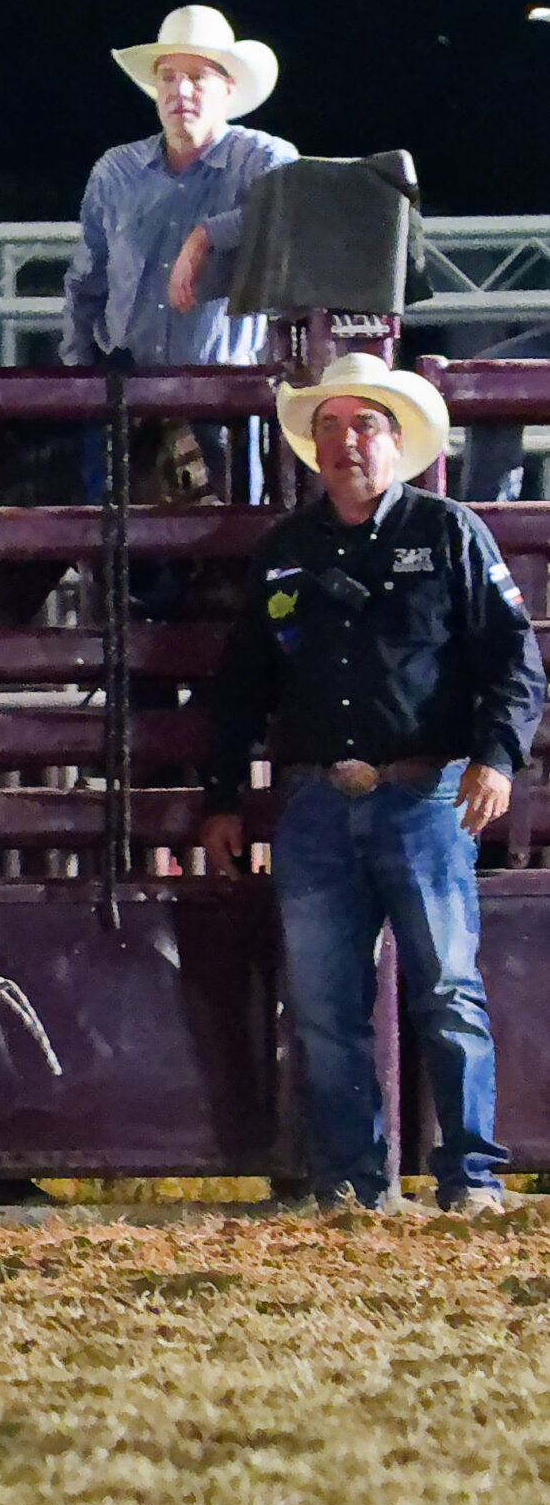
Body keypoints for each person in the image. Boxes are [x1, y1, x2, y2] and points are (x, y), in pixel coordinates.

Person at [201, 352, 544, 1213]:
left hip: (422, 792)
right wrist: (219, 796)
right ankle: (354, 1182)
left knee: (444, 993)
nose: (345, 442)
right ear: (313, 446)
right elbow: (242, 681)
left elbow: (515, 661)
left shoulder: (447, 532)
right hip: (320, 798)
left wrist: (496, 756)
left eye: (363, 426)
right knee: (326, 1003)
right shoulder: (283, 552)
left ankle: (467, 1175)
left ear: (395, 443)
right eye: (330, 426)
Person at [62, 2, 297, 417]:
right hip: (126, 398)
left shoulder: (263, 158)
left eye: (196, 77)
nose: (179, 91)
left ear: (228, 89)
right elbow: (86, 286)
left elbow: (296, 209)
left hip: (225, 403)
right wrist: (79, 390)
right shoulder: (116, 171)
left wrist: (207, 234)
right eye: (168, 77)